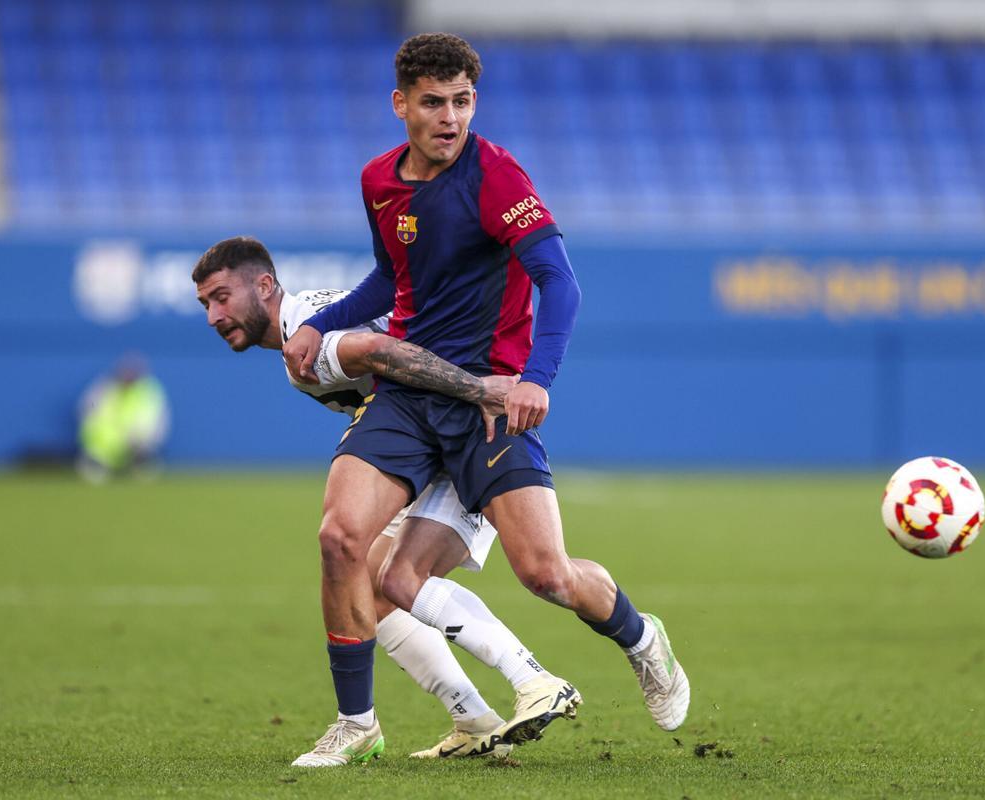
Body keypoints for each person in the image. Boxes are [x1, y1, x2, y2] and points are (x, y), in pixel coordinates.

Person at [282, 33, 689, 762]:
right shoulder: (380, 179)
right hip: (409, 395)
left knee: (546, 575)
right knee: (342, 539)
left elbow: (560, 281)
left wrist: (537, 377)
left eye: (463, 101)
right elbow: (390, 280)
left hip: (489, 401)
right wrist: (321, 321)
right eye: (433, 103)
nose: (450, 118)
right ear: (400, 104)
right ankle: (356, 724)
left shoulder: (496, 176)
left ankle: (640, 636)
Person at [193, 236, 570, 764]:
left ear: (263, 285)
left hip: (467, 428)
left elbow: (381, 352)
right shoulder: (304, 330)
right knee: (369, 587)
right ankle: (473, 718)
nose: (213, 315)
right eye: (205, 304)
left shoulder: (309, 332)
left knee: (533, 573)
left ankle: (541, 675)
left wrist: (481, 390)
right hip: (440, 438)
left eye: (221, 297)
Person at [77, 353, 170, 482]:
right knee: (97, 450)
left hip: (135, 441)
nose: (129, 376)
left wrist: (142, 438)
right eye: (126, 371)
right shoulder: (104, 387)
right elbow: (86, 410)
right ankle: (97, 463)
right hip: (106, 441)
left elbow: (157, 419)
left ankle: (141, 463)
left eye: (133, 372)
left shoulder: (149, 390)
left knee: (143, 443)